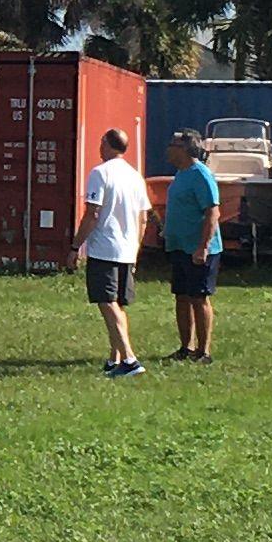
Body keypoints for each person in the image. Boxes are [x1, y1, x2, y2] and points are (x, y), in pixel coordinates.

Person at [77, 125, 147, 377]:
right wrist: (136, 248)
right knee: (117, 304)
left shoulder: (100, 173)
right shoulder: (135, 176)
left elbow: (92, 213)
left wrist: (76, 245)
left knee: (106, 302)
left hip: (105, 248)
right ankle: (114, 358)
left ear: (107, 145)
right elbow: (143, 219)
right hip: (128, 248)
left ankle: (129, 358)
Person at [158, 127, 223, 364]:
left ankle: (203, 352)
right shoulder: (181, 174)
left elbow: (212, 213)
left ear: (185, 149)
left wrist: (203, 247)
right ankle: (186, 347)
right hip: (179, 246)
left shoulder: (200, 175)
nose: (168, 149)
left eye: (172, 145)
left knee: (199, 297)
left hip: (199, 249)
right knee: (182, 296)